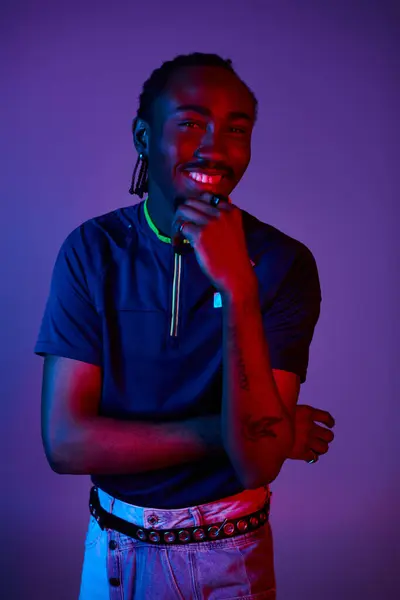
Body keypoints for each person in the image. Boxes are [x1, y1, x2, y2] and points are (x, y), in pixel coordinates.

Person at [35, 53, 335, 599]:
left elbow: (257, 463)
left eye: (236, 129)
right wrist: (238, 432)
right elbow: (66, 444)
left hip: (227, 555)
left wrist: (237, 289)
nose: (215, 147)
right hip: (110, 552)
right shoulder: (91, 250)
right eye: (192, 122)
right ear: (144, 137)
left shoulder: (282, 264)